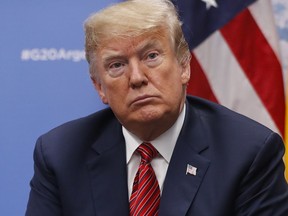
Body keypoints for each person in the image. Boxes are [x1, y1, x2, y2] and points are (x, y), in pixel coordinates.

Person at [25, 0, 288, 215]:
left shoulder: (248, 152)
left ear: (184, 67)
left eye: (151, 56)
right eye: (117, 65)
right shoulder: (61, 155)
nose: (137, 77)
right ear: (99, 88)